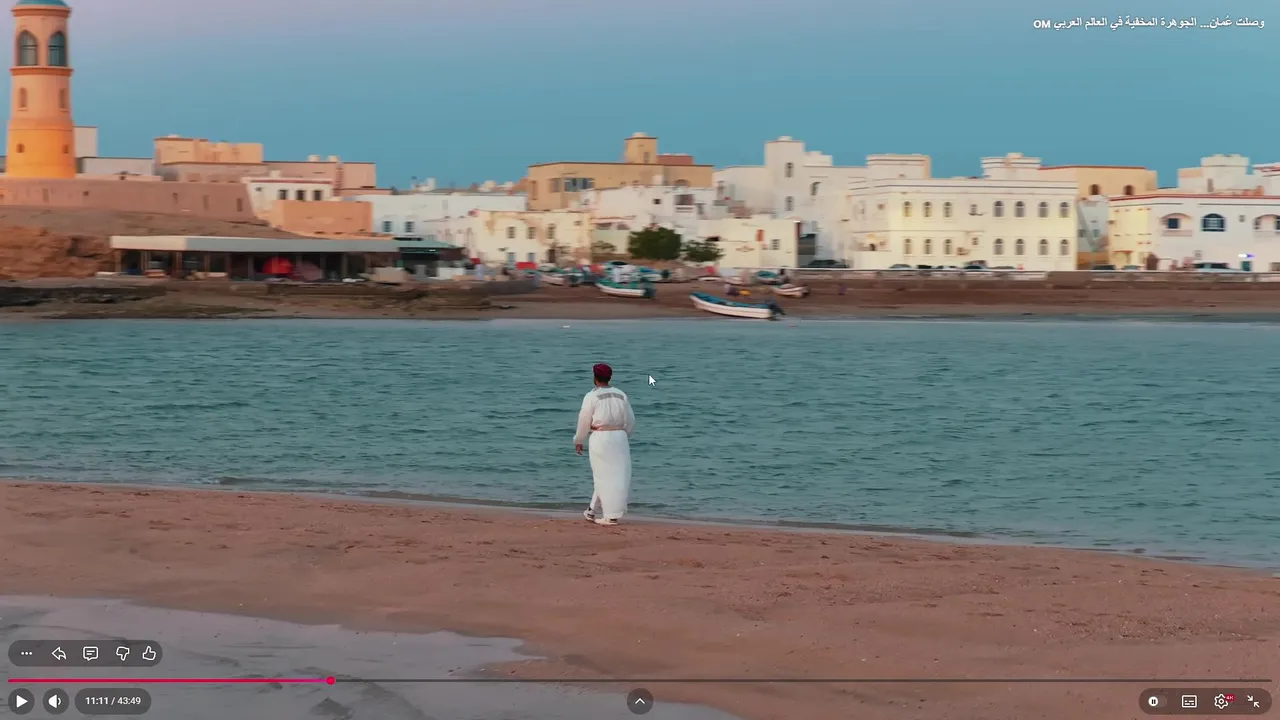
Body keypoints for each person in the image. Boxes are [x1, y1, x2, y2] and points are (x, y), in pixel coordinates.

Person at [573, 363, 635, 526]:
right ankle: (592, 510)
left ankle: (610, 516)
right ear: (610, 377)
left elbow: (584, 419)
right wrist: (624, 435)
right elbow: (630, 420)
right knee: (617, 476)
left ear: (595, 378)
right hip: (620, 437)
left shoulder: (592, 396)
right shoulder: (621, 394)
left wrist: (579, 440)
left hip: (600, 436)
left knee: (602, 476)